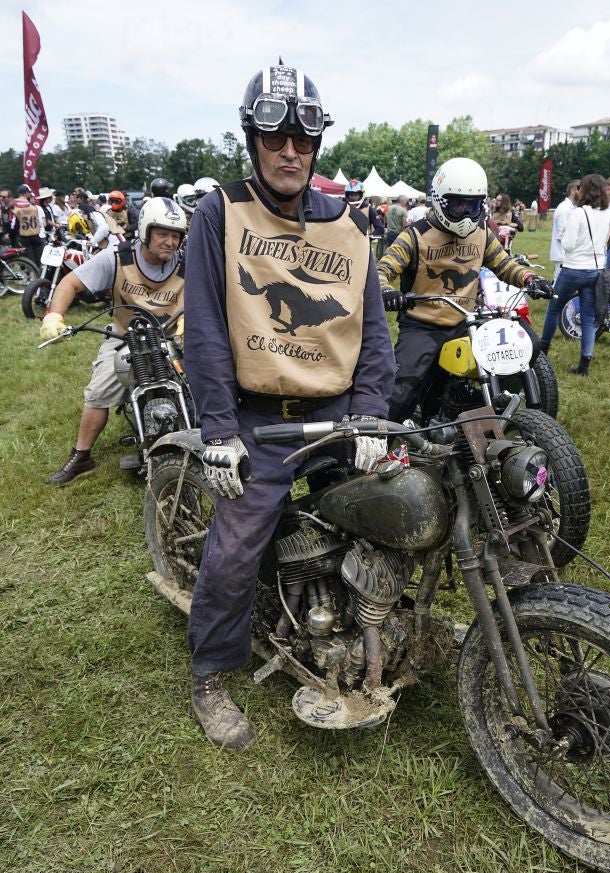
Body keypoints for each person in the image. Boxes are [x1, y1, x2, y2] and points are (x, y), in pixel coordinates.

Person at [183, 62, 395, 751]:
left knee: (389, 510)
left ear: (316, 147)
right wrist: (218, 430)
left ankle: (368, 616)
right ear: (252, 139)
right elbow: (208, 328)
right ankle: (212, 674)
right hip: (257, 415)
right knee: (237, 541)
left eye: (302, 142)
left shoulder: (351, 225)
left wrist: (369, 412)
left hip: (336, 410)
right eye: (274, 138)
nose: (289, 153)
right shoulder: (220, 210)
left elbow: (374, 333)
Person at [377, 156, 551, 424]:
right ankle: (381, 441)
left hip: (466, 322)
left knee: (526, 345)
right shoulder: (414, 236)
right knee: (400, 392)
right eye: (457, 204)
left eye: (472, 205)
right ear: (439, 200)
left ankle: (475, 407)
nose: (466, 212)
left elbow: (504, 264)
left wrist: (529, 278)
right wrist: (386, 291)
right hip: (422, 326)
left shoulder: (481, 231)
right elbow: (382, 270)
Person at [39, 197, 187, 484]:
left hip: (172, 335)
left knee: (206, 376)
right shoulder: (117, 257)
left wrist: (188, 319)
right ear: (145, 230)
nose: (170, 242)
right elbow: (71, 283)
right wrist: (53, 316)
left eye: (176, 235)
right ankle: (82, 455)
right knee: (100, 390)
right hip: (123, 335)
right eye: (163, 234)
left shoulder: (188, 262)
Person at [540, 173, 610, 375]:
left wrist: (564, 238)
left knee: (554, 308)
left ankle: (542, 351)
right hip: (595, 270)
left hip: (573, 269)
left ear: (585, 190)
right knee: (588, 317)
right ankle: (585, 362)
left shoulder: (578, 213)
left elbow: (568, 244)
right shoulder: (607, 214)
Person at [549, 180, 579, 280]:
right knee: (558, 286)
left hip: (567, 255)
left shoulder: (571, 208)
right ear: (574, 190)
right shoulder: (564, 209)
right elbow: (562, 234)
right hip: (563, 256)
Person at [13, 184, 45, 265]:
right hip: (35, 234)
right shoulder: (32, 206)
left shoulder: (14, 205)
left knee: (30, 260)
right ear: (26, 193)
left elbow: (14, 224)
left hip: (23, 236)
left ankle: (33, 275)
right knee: (39, 259)